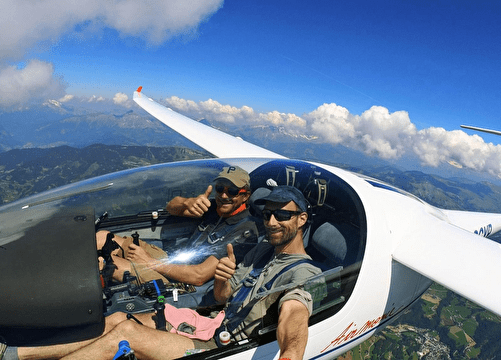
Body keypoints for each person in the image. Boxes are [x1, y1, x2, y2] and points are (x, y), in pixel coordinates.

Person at [8, 186, 322, 360]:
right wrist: (224, 279)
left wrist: (291, 354)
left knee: (126, 336)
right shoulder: (262, 251)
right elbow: (222, 297)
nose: (271, 221)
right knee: (119, 319)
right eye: (267, 213)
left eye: (282, 214)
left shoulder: (302, 273)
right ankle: (15, 353)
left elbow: (294, 322)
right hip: (211, 322)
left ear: (302, 219)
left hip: (221, 345)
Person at [97, 166, 260, 287]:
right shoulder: (211, 207)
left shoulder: (245, 230)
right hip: (171, 260)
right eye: (219, 189)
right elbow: (170, 206)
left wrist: (149, 262)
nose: (224, 196)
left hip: (183, 282)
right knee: (102, 237)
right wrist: (187, 203)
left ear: (245, 196)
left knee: (111, 265)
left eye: (232, 191)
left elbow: (199, 276)